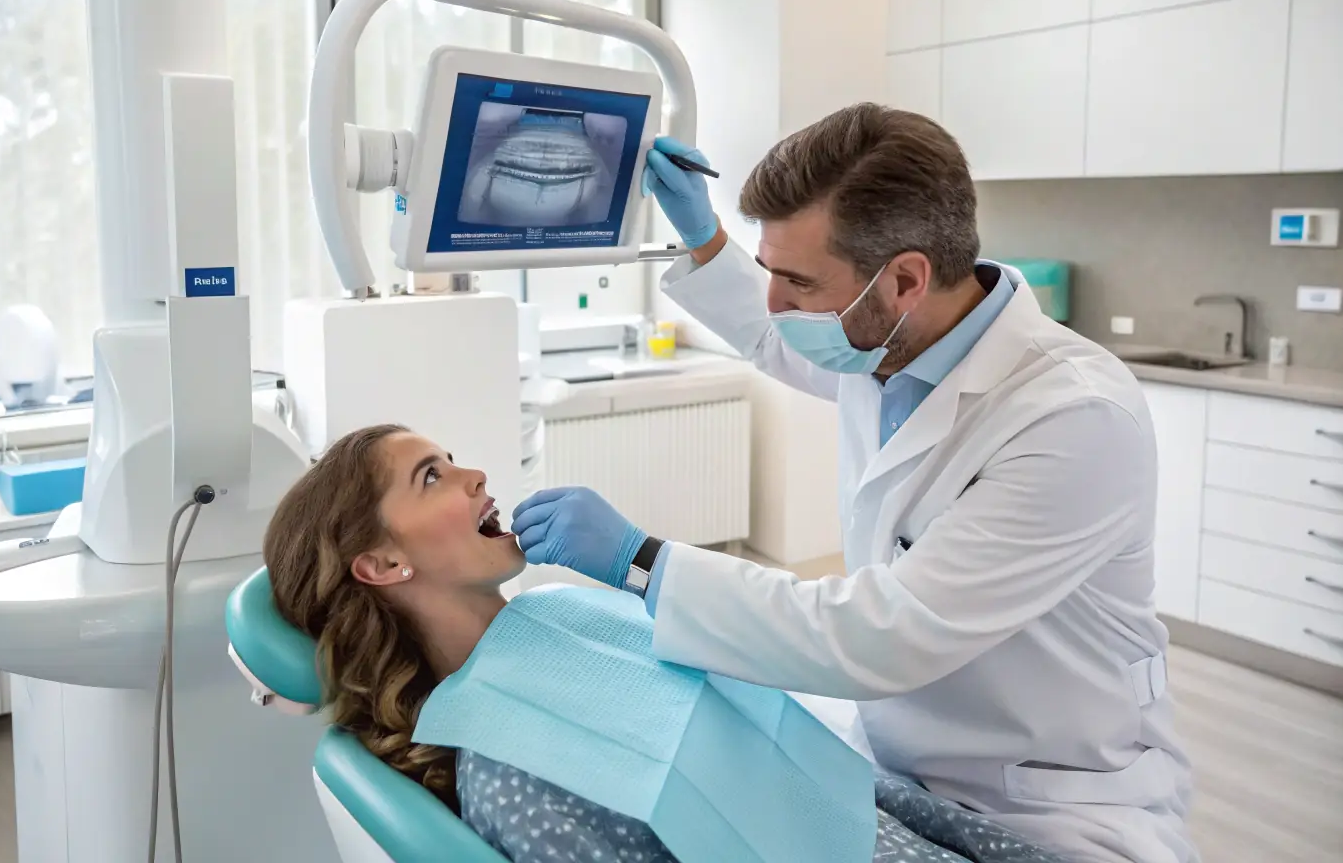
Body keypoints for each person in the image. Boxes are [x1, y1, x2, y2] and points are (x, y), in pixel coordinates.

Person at [511, 104, 1198, 863]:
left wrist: (641, 560)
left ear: (904, 280)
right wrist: (705, 237)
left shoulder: (1071, 417)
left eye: (797, 280)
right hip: (893, 761)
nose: (776, 304)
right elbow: (770, 335)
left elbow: (884, 633)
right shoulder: (885, 344)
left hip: (1045, 792)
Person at [264, 423, 1070, 863]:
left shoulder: (578, 618)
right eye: (431, 478)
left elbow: (807, 761)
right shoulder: (507, 778)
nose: (475, 474)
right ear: (381, 563)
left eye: (450, 458)